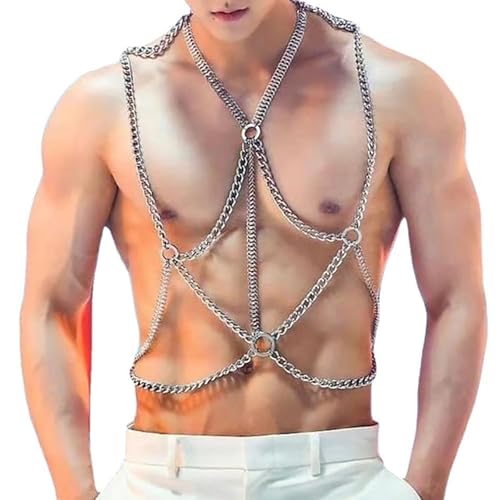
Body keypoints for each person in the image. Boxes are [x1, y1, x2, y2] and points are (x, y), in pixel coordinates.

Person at [19, 0, 487, 499]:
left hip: (341, 477)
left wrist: (425, 489)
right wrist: (75, 493)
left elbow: (456, 296)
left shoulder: (396, 92)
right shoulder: (105, 106)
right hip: (162, 476)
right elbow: (52, 306)